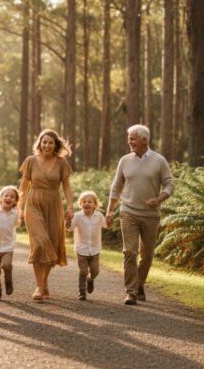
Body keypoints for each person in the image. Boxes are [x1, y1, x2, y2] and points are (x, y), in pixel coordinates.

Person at [105, 125, 174, 305]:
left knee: (148, 255)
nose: (129, 142)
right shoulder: (125, 160)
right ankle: (131, 292)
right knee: (129, 251)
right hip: (128, 212)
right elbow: (116, 186)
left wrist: (159, 199)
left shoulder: (159, 161)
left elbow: (169, 185)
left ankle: (140, 283)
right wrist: (110, 210)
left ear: (145, 140)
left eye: (133, 139)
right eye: (129, 138)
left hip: (151, 215)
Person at [17, 129, 74, 301]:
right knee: (40, 243)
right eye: (44, 142)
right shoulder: (30, 161)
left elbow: (67, 187)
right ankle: (39, 287)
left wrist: (70, 206)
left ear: (56, 145)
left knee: (52, 242)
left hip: (53, 203)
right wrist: (19, 207)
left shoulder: (61, 162)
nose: (47, 145)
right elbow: (23, 187)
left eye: (50, 142)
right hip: (33, 203)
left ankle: (44, 283)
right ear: (39, 144)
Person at [67, 190, 107, 301]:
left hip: (95, 248)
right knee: (83, 271)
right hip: (81, 248)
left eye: (90, 202)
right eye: (84, 201)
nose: (87, 203)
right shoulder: (77, 216)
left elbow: (107, 225)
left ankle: (90, 279)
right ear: (80, 204)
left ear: (95, 205)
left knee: (95, 271)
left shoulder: (99, 216)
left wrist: (110, 218)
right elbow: (69, 228)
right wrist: (67, 220)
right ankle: (82, 292)